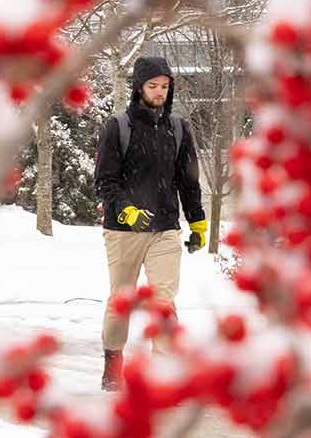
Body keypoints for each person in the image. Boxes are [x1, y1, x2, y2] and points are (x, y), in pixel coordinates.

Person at [93, 56, 208, 390]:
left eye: (165, 86)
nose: (159, 92)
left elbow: (189, 180)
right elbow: (104, 180)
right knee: (121, 300)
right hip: (123, 230)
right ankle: (113, 362)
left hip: (165, 228)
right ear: (139, 87)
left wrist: (197, 221)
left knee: (164, 301)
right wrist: (126, 210)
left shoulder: (178, 128)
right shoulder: (118, 127)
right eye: (153, 86)